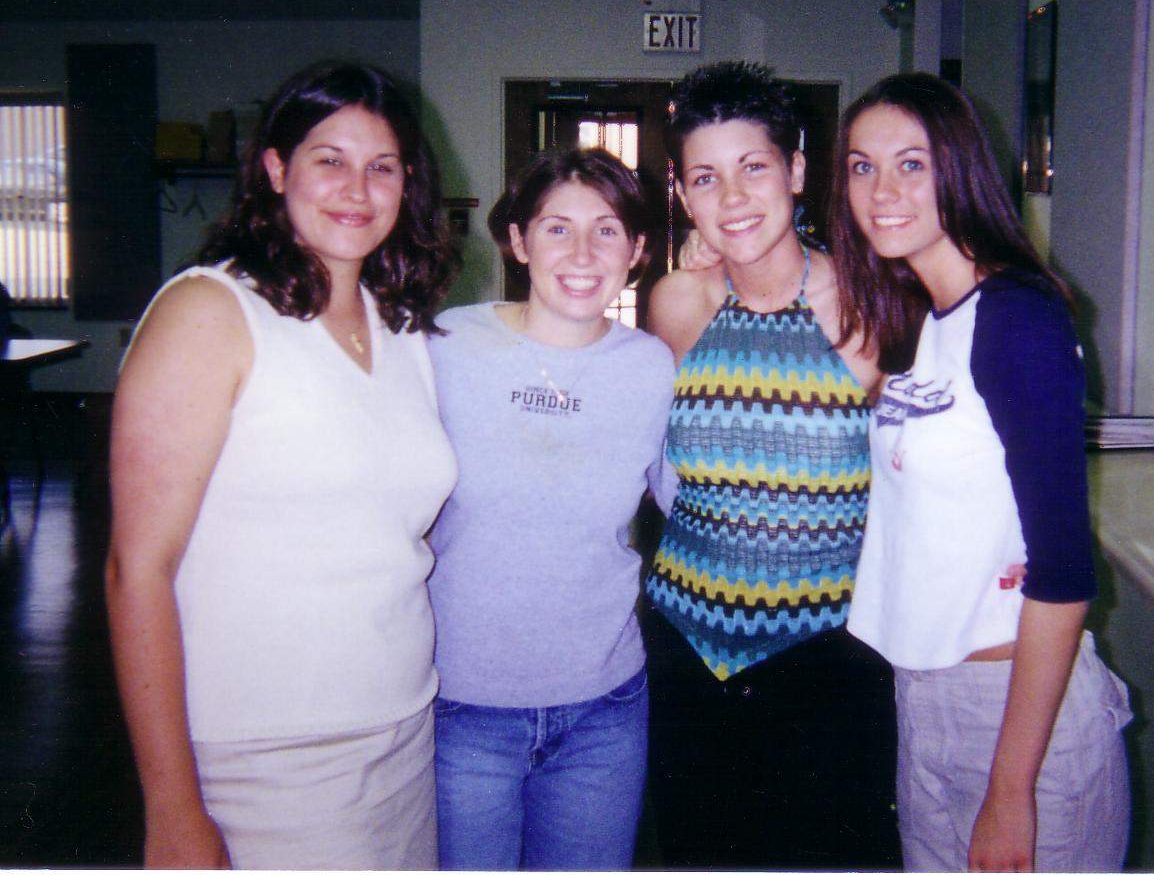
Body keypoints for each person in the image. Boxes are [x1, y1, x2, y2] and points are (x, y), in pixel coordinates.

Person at [104, 61, 458, 869]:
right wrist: (172, 810)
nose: (356, 190)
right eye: (328, 159)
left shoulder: (401, 326)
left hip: (404, 736)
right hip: (263, 760)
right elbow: (138, 570)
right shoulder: (209, 311)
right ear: (275, 168)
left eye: (383, 167)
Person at [834, 72, 1132, 872]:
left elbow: (1065, 572)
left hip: (1017, 720)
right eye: (862, 166)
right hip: (924, 697)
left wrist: (1011, 791)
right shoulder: (926, 319)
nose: (881, 190)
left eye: (911, 164)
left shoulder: (1018, 319)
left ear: (959, 170)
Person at [642, 60, 902, 869]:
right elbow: (650, 469)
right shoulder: (677, 304)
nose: (734, 199)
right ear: (682, 194)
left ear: (794, 170)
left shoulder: (873, 306)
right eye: (706, 178)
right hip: (685, 650)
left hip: (826, 662)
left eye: (754, 167)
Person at [426, 148, 676, 870]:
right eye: (556, 228)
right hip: (461, 710)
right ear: (517, 240)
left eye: (607, 231)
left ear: (637, 249)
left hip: (605, 711)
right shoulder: (446, 346)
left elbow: (693, 502)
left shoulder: (652, 367)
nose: (582, 252)